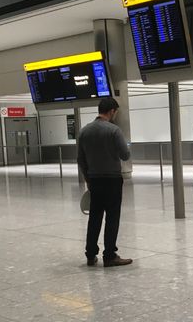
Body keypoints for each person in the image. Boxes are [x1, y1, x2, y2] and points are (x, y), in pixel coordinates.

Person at [78, 98, 132, 267]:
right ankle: (109, 255)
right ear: (111, 111)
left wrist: (88, 179)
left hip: (94, 180)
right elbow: (125, 155)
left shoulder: (84, 131)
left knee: (94, 217)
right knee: (112, 218)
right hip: (112, 180)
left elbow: (80, 159)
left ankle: (90, 254)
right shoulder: (114, 131)